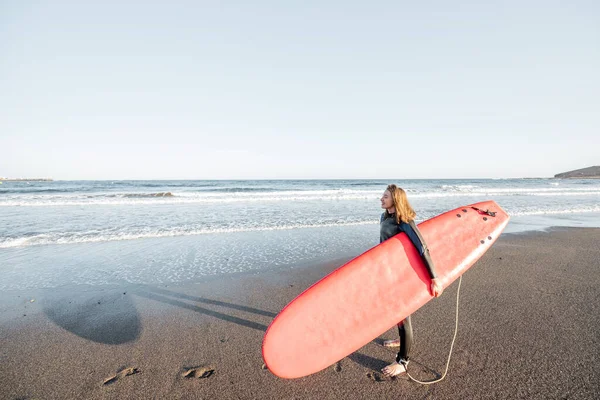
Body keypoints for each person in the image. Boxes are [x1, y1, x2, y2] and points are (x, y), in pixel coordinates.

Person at [379, 184, 443, 378]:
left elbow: (422, 247)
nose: (381, 198)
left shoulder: (404, 220)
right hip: (389, 270)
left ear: (395, 200)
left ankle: (403, 361)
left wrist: (434, 277)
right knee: (396, 311)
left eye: (385, 196)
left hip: (401, 273)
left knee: (403, 314)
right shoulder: (385, 217)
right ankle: (402, 339)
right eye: (382, 195)